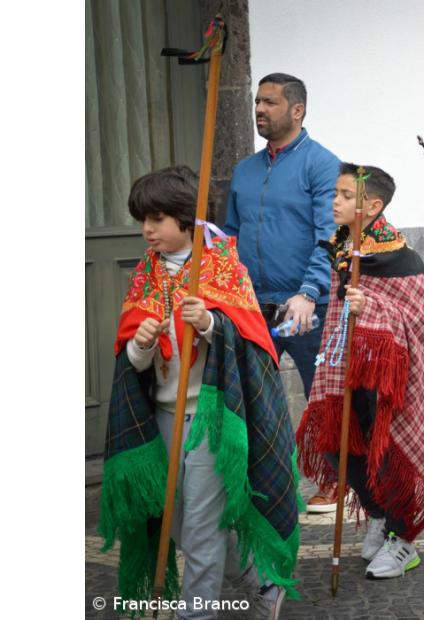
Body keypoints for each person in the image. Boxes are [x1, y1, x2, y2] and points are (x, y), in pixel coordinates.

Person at [98, 167, 299, 619]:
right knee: (180, 526)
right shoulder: (146, 275)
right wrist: (141, 345)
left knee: (203, 529)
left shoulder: (225, 268)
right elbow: (129, 363)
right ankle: (259, 578)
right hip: (162, 417)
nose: (147, 229)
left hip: (211, 419)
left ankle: (196, 613)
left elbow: (252, 344)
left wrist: (211, 324)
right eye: (142, 219)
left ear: (186, 218)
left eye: (157, 218)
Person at [295, 164, 424, 579]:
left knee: (390, 450)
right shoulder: (342, 245)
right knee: (339, 441)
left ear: (374, 206)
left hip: (396, 378)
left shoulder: (397, 256)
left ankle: (403, 539)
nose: (336, 202)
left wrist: (376, 310)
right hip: (351, 364)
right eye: (337, 193)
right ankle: (378, 513)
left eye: (346, 196)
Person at [223, 72, 342, 513]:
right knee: (256, 399)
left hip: (308, 307)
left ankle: (334, 481)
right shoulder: (244, 170)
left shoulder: (322, 164)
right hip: (255, 308)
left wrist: (310, 291)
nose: (259, 109)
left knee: (324, 397)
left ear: (297, 110)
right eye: (257, 102)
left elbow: (329, 235)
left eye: (270, 102)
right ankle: (266, 483)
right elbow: (229, 237)